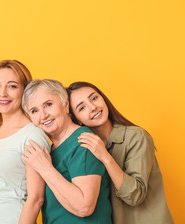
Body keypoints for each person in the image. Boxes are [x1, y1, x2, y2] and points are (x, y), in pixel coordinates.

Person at [67, 81, 173, 224]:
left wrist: (105, 156)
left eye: (94, 98)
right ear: (76, 120)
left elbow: (135, 195)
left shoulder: (136, 137)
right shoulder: (83, 150)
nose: (93, 107)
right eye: (82, 108)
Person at [0, 60, 51, 224]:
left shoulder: (32, 136)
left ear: (25, 91)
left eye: (12, 86)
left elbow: (36, 199)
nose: (2, 93)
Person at [21, 79, 112, 224]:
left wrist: (45, 169)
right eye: (35, 111)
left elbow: (85, 206)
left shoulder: (83, 141)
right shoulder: (48, 151)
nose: (43, 115)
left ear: (66, 105)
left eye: (48, 105)